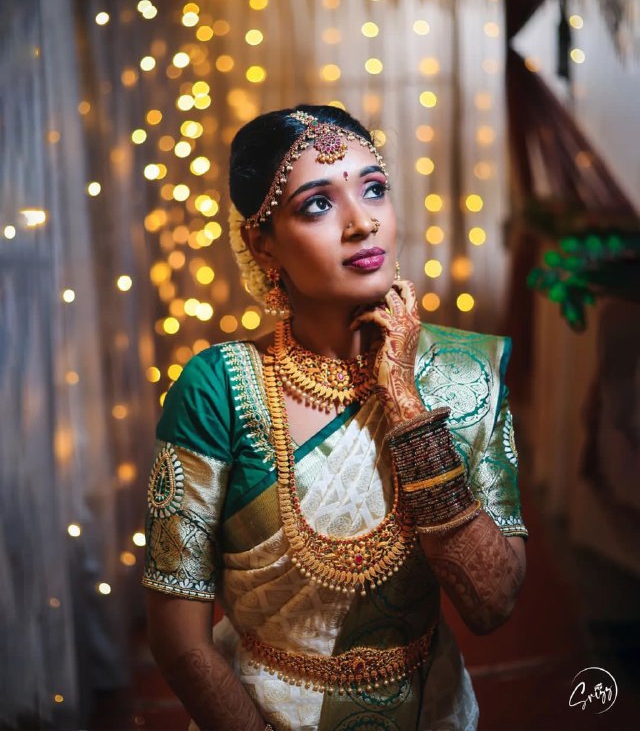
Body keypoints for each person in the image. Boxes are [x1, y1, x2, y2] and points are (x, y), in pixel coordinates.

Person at [142, 105, 527, 731]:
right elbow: (178, 641)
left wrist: (405, 404)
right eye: (318, 204)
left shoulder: (464, 372)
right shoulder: (220, 389)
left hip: (432, 710)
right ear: (261, 243)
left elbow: (492, 604)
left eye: (374, 189)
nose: (363, 222)